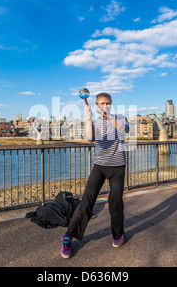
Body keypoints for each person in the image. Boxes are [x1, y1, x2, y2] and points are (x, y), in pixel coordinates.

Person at [60, 92, 129, 258]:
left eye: (107, 103)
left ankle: (118, 234)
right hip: (99, 166)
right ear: (97, 105)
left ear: (111, 105)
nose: (104, 106)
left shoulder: (120, 117)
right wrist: (89, 114)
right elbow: (90, 138)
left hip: (118, 167)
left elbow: (124, 130)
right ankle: (68, 237)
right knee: (87, 202)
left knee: (115, 203)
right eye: (101, 104)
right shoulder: (95, 122)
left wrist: (108, 116)